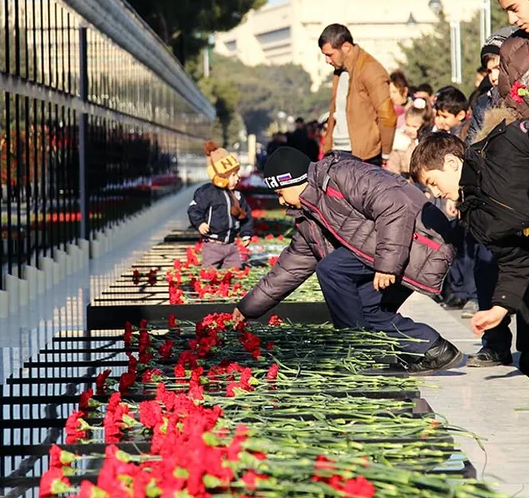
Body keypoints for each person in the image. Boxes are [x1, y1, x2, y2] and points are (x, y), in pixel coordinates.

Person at [234, 146, 462, 375]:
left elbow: (395, 205)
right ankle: (434, 349)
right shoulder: (309, 218)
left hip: (424, 242)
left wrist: (387, 264)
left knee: (331, 269)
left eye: (280, 193)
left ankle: (358, 349)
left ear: (291, 182)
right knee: (366, 309)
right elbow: (288, 270)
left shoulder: (342, 174)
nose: (281, 202)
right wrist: (247, 308)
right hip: (406, 249)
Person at [411, 121, 529, 380]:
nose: (435, 192)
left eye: (433, 182)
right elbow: (513, 260)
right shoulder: (474, 215)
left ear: (451, 163)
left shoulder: (502, 149)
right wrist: (499, 308)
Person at [318, 24, 396, 167]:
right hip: (337, 153)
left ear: (346, 47)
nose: (327, 61)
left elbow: (387, 115)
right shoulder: (339, 70)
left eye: (329, 55)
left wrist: (385, 153)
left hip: (364, 157)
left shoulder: (371, 70)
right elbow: (335, 112)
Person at [188, 141, 251, 269]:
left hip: (231, 245)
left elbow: (246, 215)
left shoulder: (237, 196)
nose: (238, 178)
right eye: (233, 175)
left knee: (234, 272)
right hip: (212, 245)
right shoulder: (207, 192)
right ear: (220, 178)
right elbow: (194, 209)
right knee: (210, 274)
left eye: (237, 174)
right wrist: (199, 223)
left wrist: (246, 233)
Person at [385, 97, 432, 178]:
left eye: (414, 126)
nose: (410, 129)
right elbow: (393, 170)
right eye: (408, 125)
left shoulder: (428, 144)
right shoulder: (399, 143)